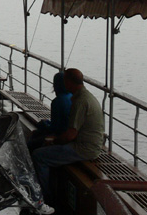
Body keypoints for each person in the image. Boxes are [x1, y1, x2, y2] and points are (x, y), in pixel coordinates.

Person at [31, 68, 104, 201]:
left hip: (84, 148)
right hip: (91, 143)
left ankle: (44, 198)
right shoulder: (85, 96)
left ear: (69, 82)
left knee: (39, 155)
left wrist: (53, 141)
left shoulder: (80, 102)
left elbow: (70, 135)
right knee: (46, 149)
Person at [28, 72, 72, 151]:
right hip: (69, 132)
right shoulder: (72, 97)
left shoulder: (57, 102)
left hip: (62, 135)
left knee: (33, 141)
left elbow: (54, 128)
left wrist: (44, 124)